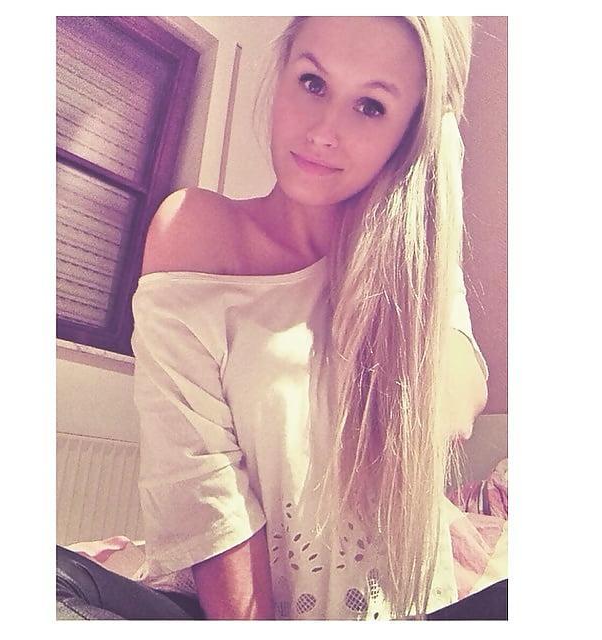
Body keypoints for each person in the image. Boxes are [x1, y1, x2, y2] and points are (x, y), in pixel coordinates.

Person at [58, 16, 502, 620]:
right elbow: (205, 498)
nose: (322, 132)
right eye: (313, 82)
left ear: (413, 130)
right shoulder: (197, 231)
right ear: (285, 66)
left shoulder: (414, 269)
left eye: (371, 106)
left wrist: (432, 175)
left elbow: (450, 414)